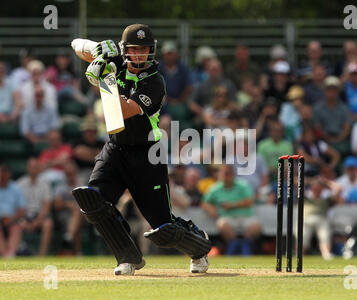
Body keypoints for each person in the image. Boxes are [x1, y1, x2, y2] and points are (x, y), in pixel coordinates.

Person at [71, 24, 211, 275]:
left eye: (145, 50)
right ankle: (127, 257)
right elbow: (76, 45)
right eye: (134, 50)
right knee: (93, 199)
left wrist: (104, 78)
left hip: (148, 154)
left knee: (163, 225)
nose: (140, 56)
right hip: (115, 148)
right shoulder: (116, 62)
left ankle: (199, 247)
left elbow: (125, 110)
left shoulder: (155, 82)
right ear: (126, 51)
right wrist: (100, 51)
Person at [202, 164, 261, 255]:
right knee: (223, 224)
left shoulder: (242, 185)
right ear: (220, 175)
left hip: (246, 216)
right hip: (227, 217)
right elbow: (205, 202)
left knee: (255, 226)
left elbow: (249, 201)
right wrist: (211, 209)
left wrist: (232, 205)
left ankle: (244, 248)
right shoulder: (215, 188)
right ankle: (235, 248)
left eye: (228, 174)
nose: (226, 176)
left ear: (233, 174)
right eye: (224, 174)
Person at [17, 158, 53, 256]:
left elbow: (47, 206)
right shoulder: (20, 183)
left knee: (48, 224)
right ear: (27, 168)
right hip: (24, 217)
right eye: (31, 167)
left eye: (35, 167)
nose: (33, 169)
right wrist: (23, 220)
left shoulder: (45, 183)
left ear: (38, 169)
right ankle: (18, 253)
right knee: (15, 225)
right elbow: (18, 206)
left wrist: (37, 221)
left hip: (39, 216)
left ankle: (42, 256)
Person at [303, 176, 342, 260]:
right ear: (311, 188)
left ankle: (326, 253)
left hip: (322, 219)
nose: (317, 190)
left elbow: (338, 189)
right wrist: (310, 181)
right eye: (315, 188)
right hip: (306, 219)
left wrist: (325, 182)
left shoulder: (326, 200)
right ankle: (299, 253)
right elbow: (295, 184)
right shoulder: (304, 198)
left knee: (324, 232)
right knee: (302, 232)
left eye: (319, 188)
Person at [0, 164, 26, 257]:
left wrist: (11, 219)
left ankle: (10, 255)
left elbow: (22, 210)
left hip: (12, 220)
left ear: (9, 175)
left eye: (4, 174)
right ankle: (4, 254)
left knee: (16, 228)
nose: (2, 176)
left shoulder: (16, 188)